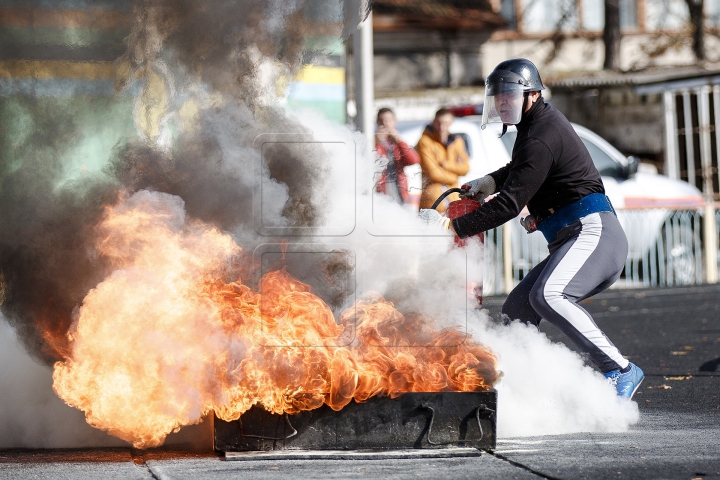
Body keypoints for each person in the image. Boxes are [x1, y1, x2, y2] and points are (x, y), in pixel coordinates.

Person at [419, 58, 644, 400]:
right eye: (498, 97)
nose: (502, 103)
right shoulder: (536, 127)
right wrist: (490, 180)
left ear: (533, 94)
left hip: (594, 234)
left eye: (509, 95)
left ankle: (620, 368)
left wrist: (452, 225)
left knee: (547, 295)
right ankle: (523, 386)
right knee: (517, 311)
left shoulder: (542, 132)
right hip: (575, 235)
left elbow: (510, 204)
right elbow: (521, 169)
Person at [416, 108, 470, 213]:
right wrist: (454, 176)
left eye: (445, 123)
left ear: (451, 122)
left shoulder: (457, 141)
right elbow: (433, 173)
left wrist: (445, 165)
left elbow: (465, 168)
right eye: (439, 123)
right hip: (433, 202)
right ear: (433, 122)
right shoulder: (425, 141)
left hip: (453, 200)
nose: (442, 127)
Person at [374, 107, 421, 205]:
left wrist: (399, 140)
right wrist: (376, 142)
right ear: (377, 122)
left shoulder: (397, 143)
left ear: (394, 121)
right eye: (382, 121)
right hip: (381, 194)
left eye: (389, 120)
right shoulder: (374, 142)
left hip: (400, 193)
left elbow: (414, 159)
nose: (386, 124)